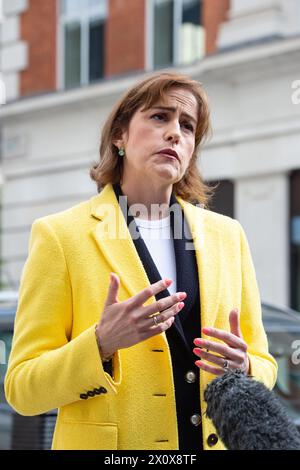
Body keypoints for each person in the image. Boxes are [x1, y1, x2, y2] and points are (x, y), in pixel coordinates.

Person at [5, 71, 278, 451]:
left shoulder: (227, 236)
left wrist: (246, 368)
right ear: (120, 135)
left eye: (187, 125)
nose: (175, 133)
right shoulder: (60, 236)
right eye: (159, 117)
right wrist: (100, 344)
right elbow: (22, 388)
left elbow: (264, 365)